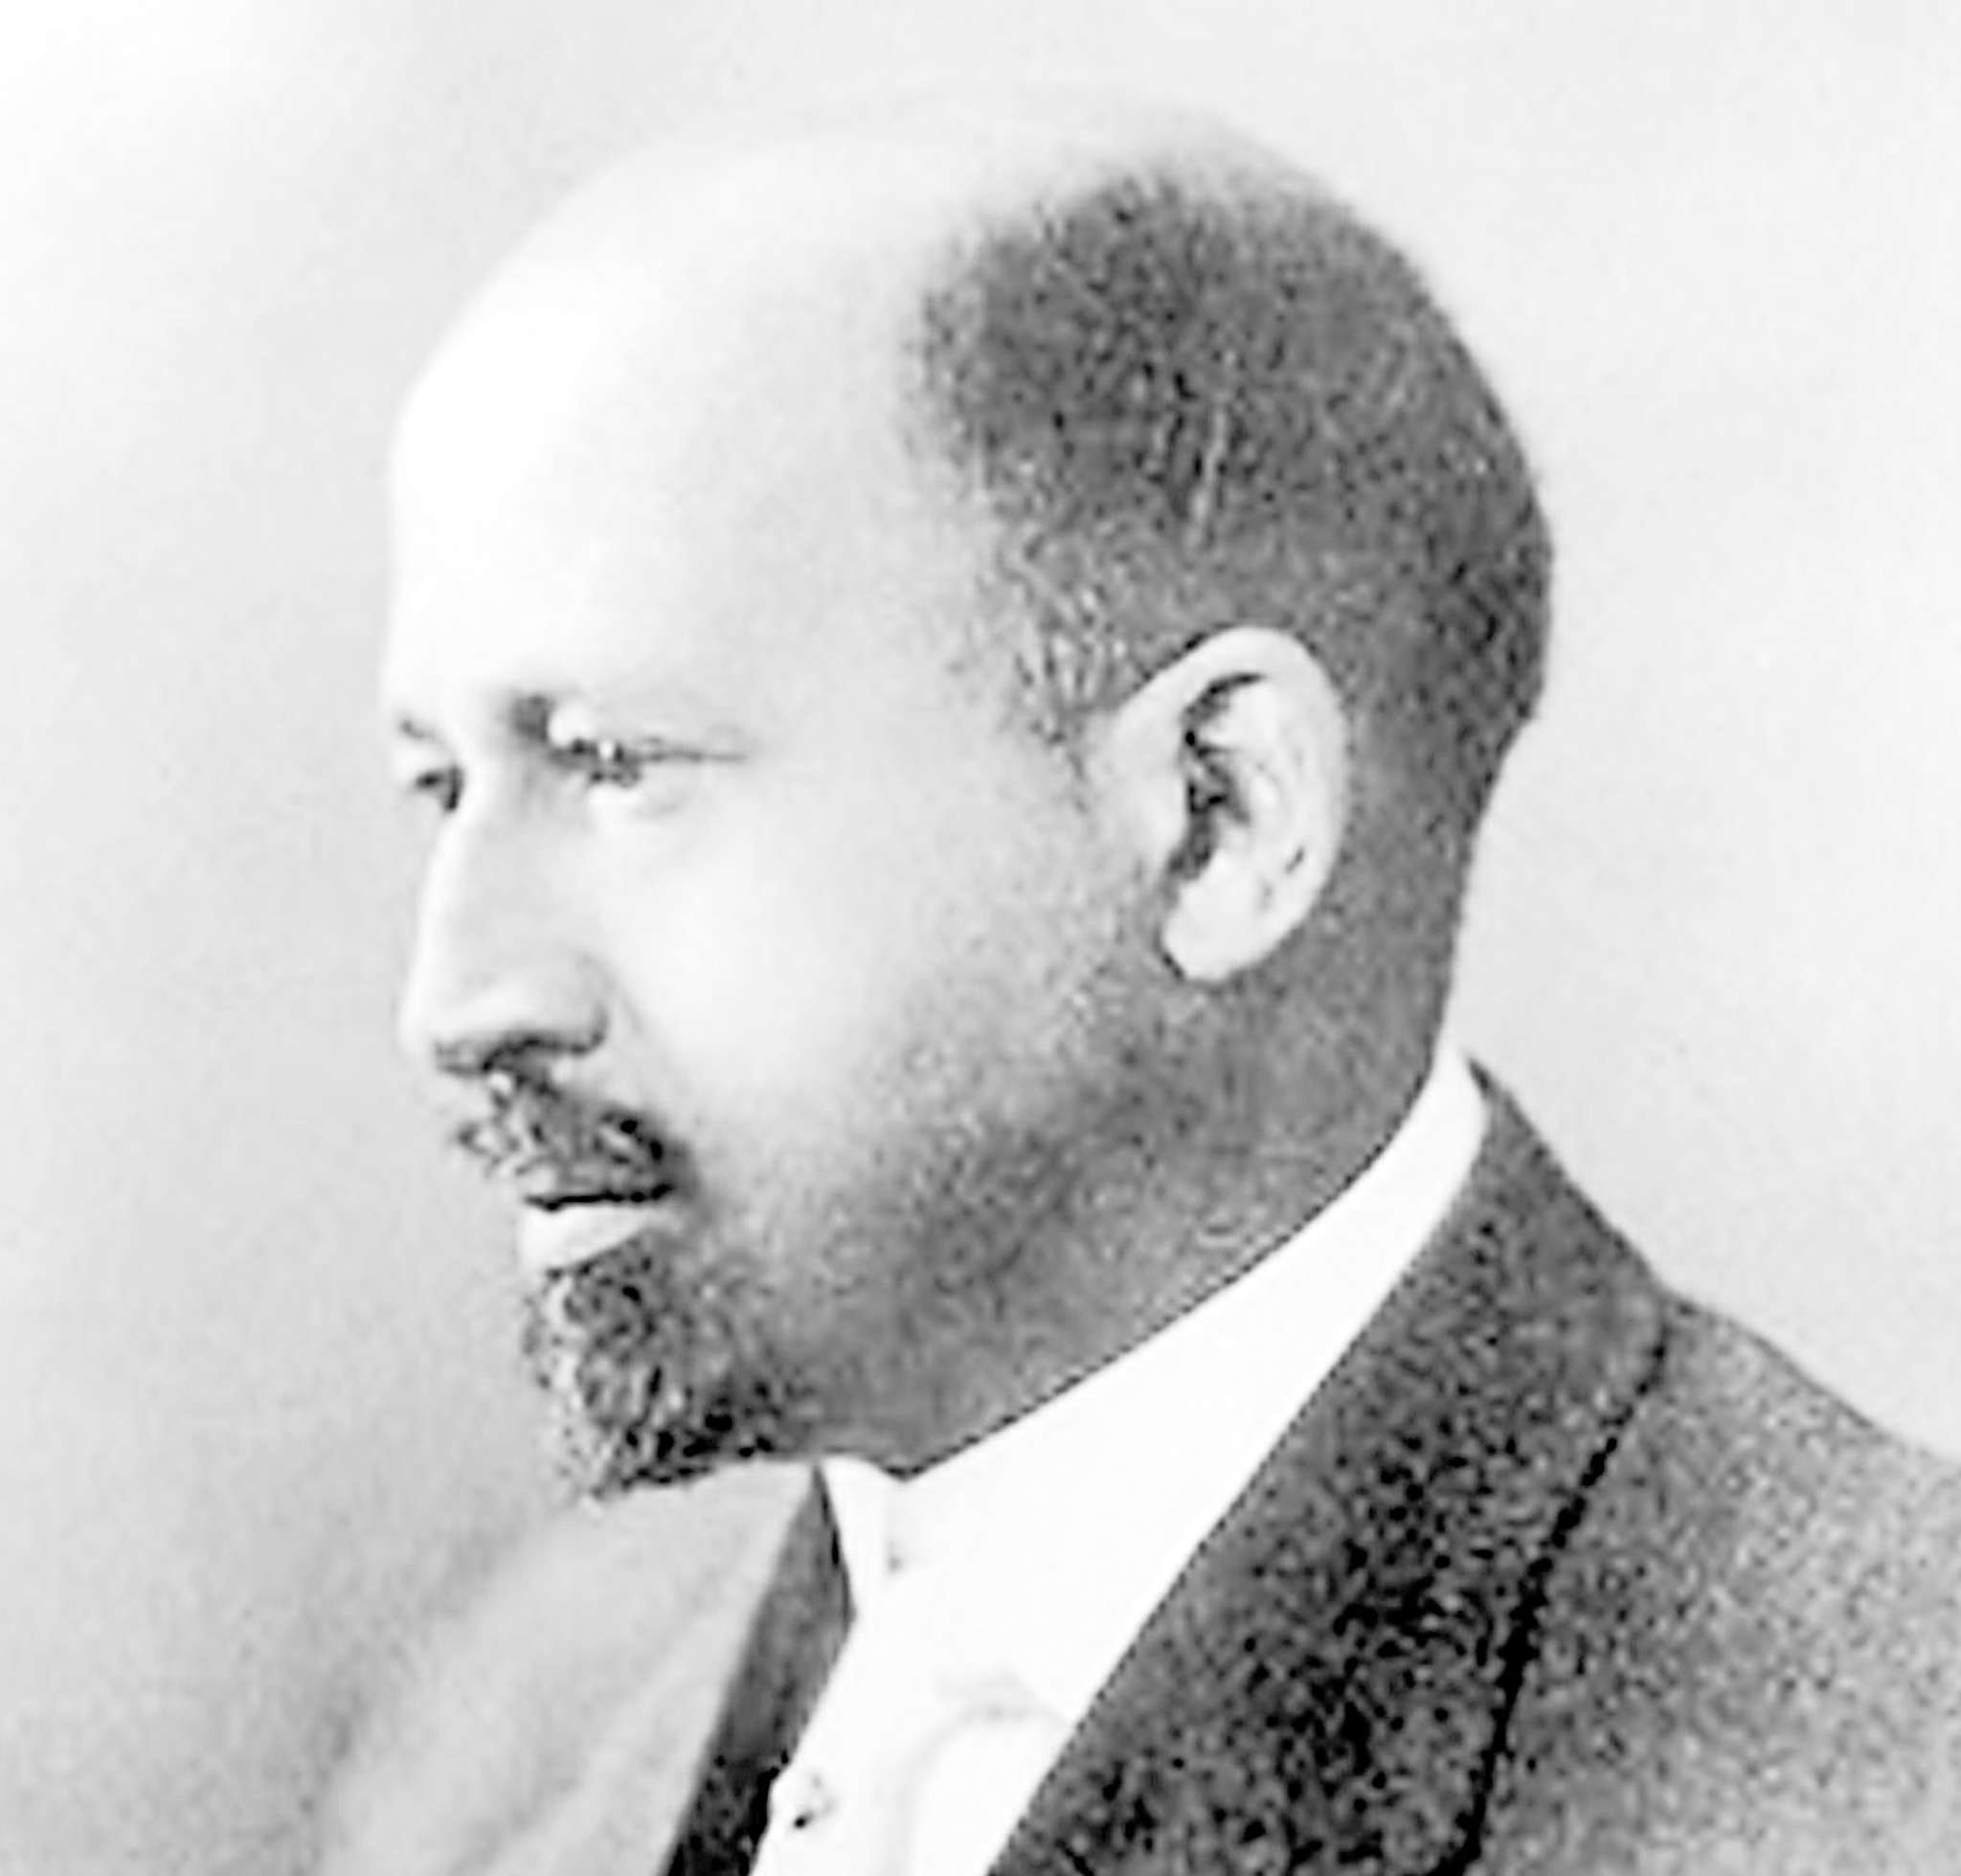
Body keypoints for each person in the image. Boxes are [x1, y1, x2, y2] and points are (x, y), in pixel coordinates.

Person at [349, 95, 1961, 1875]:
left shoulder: (1890, 1761)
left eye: (616, 764)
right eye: (440, 784)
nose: (457, 997)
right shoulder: (518, 1729)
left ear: (1219, 818)